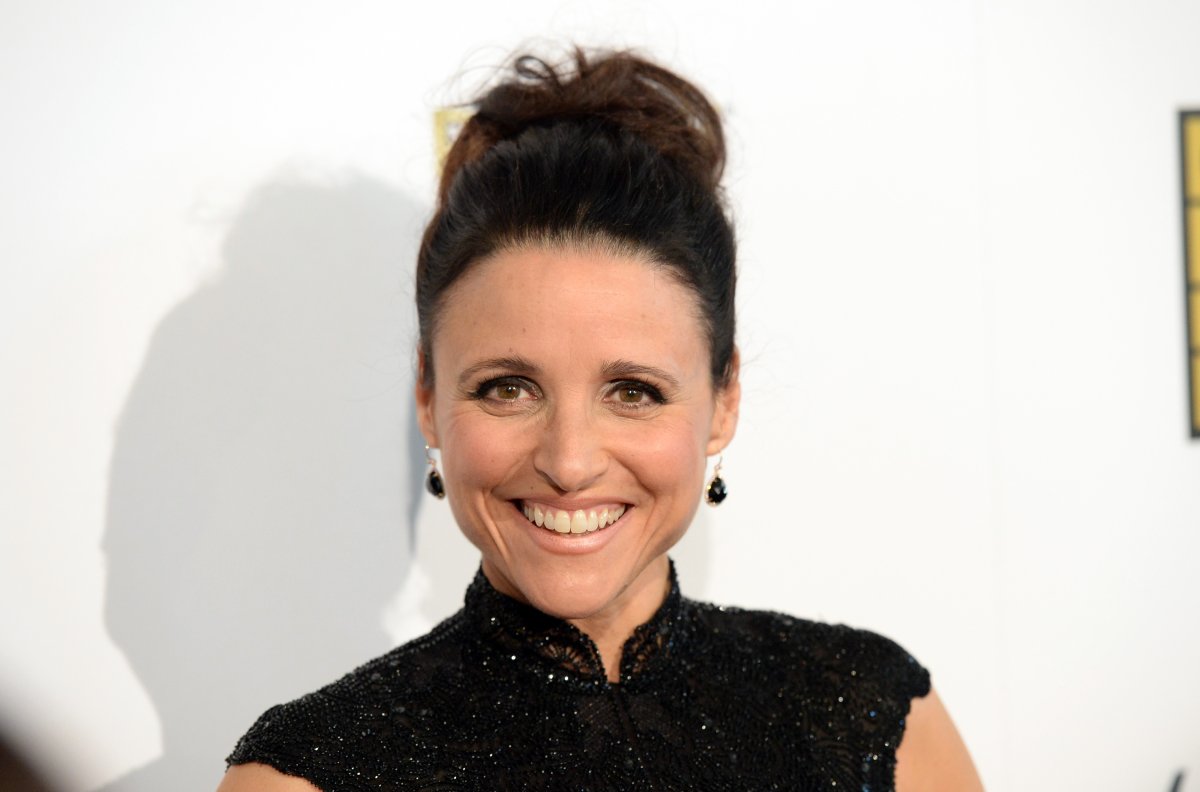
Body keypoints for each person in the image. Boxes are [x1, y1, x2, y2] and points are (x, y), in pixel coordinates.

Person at [218, 47, 983, 791]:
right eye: (509, 388)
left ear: (724, 400)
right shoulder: (304, 775)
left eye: (634, 391)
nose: (572, 460)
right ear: (427, 395)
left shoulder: (876, 723)